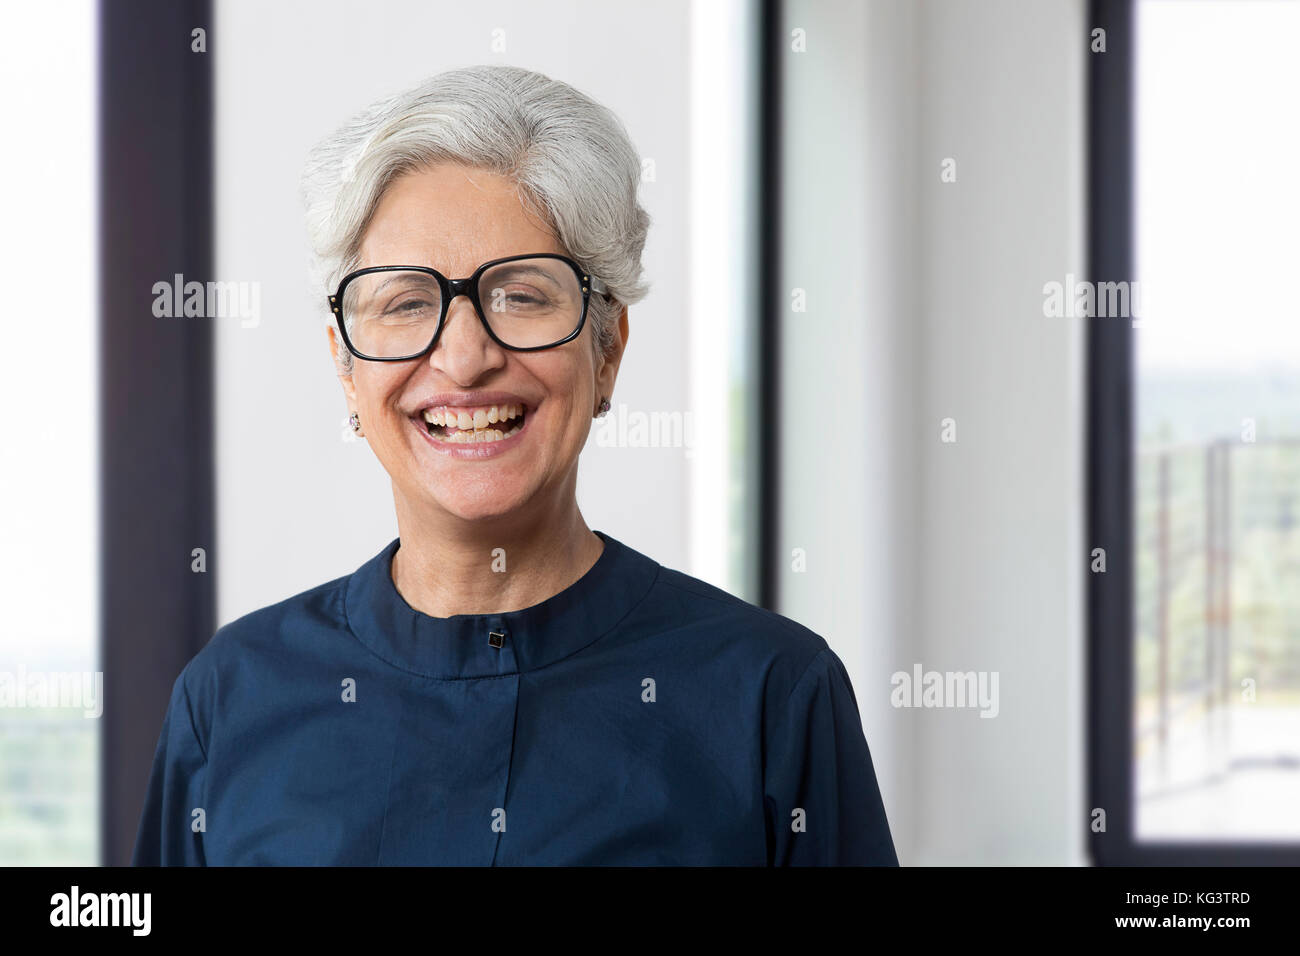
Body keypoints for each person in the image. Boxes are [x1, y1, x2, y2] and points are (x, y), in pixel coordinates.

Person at [132, 64, 898, 866]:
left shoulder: (775, 695)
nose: (465, 358)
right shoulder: (229, 700)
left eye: (522, 296)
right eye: (405, 303)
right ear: (346, 367)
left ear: (608, 351)